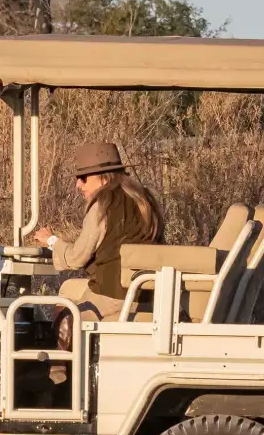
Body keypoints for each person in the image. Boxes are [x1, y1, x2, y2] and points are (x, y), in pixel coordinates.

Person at [31, 143, 164, 374]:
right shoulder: (145, 199)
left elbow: (76, 258)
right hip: (145, 287)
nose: (78, 184)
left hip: (114, 291)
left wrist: (51, 240)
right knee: (68, 289)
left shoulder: (103, 204)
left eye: (83, 177)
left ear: (103, 179)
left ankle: (57, 371)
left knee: (67, 313)